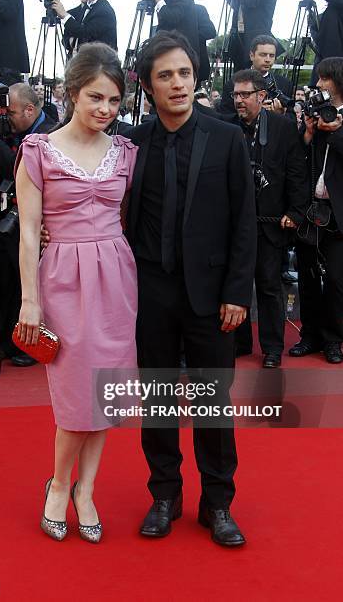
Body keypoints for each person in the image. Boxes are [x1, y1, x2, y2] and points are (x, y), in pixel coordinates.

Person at [127, 31, 257, 545]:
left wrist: (236, 292)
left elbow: (244, 222)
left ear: (196, 75)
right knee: (157, 398)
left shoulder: (226, 137)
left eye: (183, 72)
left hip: (212, 296)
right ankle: (164, 496)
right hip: (151, 291)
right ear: (147, 85)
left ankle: (218, 503)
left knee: (212, 403)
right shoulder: (132, 144)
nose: (177, 83)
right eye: (165, 75)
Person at [15, 43, 138, 543]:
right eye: (95, 98)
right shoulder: (38, 150)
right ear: (71, 94)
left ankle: (88, 489)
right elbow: (28, 232)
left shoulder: (127, 151)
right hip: (63, 277)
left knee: (105, 392)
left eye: (113, 101)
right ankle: (59, 486)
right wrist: (29, 300)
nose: (105, 109)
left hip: (116, 277)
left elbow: (131, 218)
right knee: (74, 396)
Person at [0, 83, 56, 366]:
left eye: (12, 113)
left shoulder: (51, 133)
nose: (7, 118)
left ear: (30, 110)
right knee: (6, 283)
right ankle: (9, 340)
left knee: (28, 287)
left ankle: (30, 346)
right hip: (7, 220)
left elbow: (26, 172)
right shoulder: (13, 131)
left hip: (37, 226)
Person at [227, 70, 309, 367]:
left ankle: (273, 348)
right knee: (236, 284)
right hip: (234, 224)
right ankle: (239, 343)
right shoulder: (226, 127)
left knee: (269, 286)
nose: (238, 100)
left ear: (261, 96)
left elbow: (297, 173)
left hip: (270, 222)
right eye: (235, 94)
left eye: (244, 94)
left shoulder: (283, 128)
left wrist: (295, 211)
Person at [290, 57, 343, 364]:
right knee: (308, 276)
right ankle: (309, 335)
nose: (319, 84)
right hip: (309, 209)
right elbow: (297, 157)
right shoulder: (315, 113)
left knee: (336, 279)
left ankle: (334, 339)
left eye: (325, 78)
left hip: (337, 214)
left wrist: (334, 131)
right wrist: (309, 134)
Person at [220, 35, 293, 116]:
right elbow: (225, 117)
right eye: (263, 55)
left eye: (271, 55)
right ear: (251, 55)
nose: (268, 60)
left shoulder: (284, 84)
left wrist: (279, 115)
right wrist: (254, 112)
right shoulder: (234, 84)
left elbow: (292, 120)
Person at [225, 0, 280, 72]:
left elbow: (250, 0)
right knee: (238, 75)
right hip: (239, 37)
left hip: (257, 40)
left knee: (254, 76)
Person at [52, 0, 117, 56]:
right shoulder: (85, 8)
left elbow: (85, 33)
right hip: (79, 61)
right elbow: (67, 37)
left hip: (98, 63)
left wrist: (64, 15)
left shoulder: (104, 10)